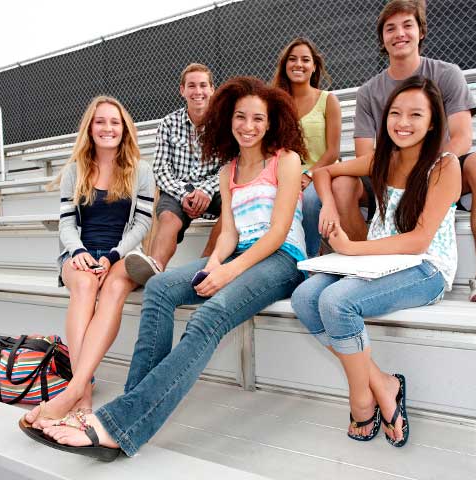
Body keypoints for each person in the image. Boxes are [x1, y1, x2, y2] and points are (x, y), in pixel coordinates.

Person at [22, 77, 308, 461]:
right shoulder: (229, 170)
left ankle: (117, 424)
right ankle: (124, 410)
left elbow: (276, 234)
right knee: (158, 289)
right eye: (240, 116)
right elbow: (229, 232)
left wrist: (226, 273)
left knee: (209, 317)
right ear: (228, 119)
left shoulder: (286, 160)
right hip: (238, 253)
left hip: (281, 259)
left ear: (272, 123)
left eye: (258, 118)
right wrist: (216, 264)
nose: (248, 125)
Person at [292, 76, 461, 448]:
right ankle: (383, 383)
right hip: (376, 263)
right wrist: (331, 208)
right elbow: (322, 171)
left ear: (433, 122)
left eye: (416, 114)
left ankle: (361, 399)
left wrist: (350, 248)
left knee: (337, 302)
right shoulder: (383, 159)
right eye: (396, 113)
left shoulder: (445, 166)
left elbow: (419, 239)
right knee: (304, 298)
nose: (403, 122)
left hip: (424, 267)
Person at [328, 0, 476, 302]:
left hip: (437, 169)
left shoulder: (447, 73)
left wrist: (424, 169)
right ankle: (364, 268)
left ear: (421, 31)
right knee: (342, 182)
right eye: (390, 28)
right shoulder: (369, 91)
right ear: (382, 38)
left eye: (407, 25)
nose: (400, 33)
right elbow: (365, 154)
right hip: (390, 170)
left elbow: (462, 137)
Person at [21, 96, 154, 427]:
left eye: (114, 122)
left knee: (114, 288)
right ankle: (84, 391)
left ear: (124, 129)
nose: (107, 128)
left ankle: (75, 389)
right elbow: (67, 224)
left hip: (120, 254)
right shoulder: (74, 170)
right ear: (90, 128)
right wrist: (79, 252)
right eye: (100, 121)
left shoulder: (141, 170)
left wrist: (112, 257)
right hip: (79, 251)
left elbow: (142, 224)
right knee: (83, 285)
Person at [124, 63, 223, 285]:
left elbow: (230, 166)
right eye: (191, 86)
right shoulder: (168, 123)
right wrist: (185, 194)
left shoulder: (224, 124)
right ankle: (154, 266)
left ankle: (205, 266)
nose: (198, 91)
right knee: (168, 216)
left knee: (234, 204)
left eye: (203, 85)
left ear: (212, 89)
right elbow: (160, 169)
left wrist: (205, 191)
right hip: (179, 190)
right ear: (182, 90)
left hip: (214, 190)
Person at [272, 37, 342, 258]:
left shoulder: (328, 100)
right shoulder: (277, 104)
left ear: (314, 67)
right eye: (292, 59)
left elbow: (333, 151)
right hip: (288, 173)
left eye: (305, 60)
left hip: (323, 172)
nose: (298, 64)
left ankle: (310, 261)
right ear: (285, 66)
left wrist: (309, 175)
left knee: (310, 201)